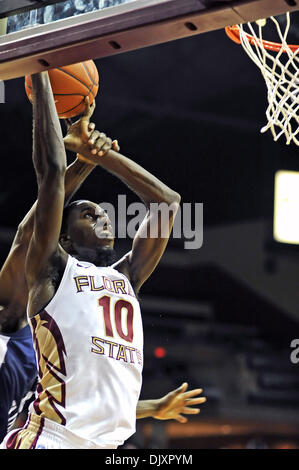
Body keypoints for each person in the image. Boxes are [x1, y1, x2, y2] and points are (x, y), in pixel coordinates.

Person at [1, 72, 206, 449]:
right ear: (63, 236)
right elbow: (50, 175)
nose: (104, 218)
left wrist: (103, 155)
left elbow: (168, 204)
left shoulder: (127, 276)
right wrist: (42, 69)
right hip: (49, 439)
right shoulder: (52, 270)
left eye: (104, 213)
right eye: (89, 215)